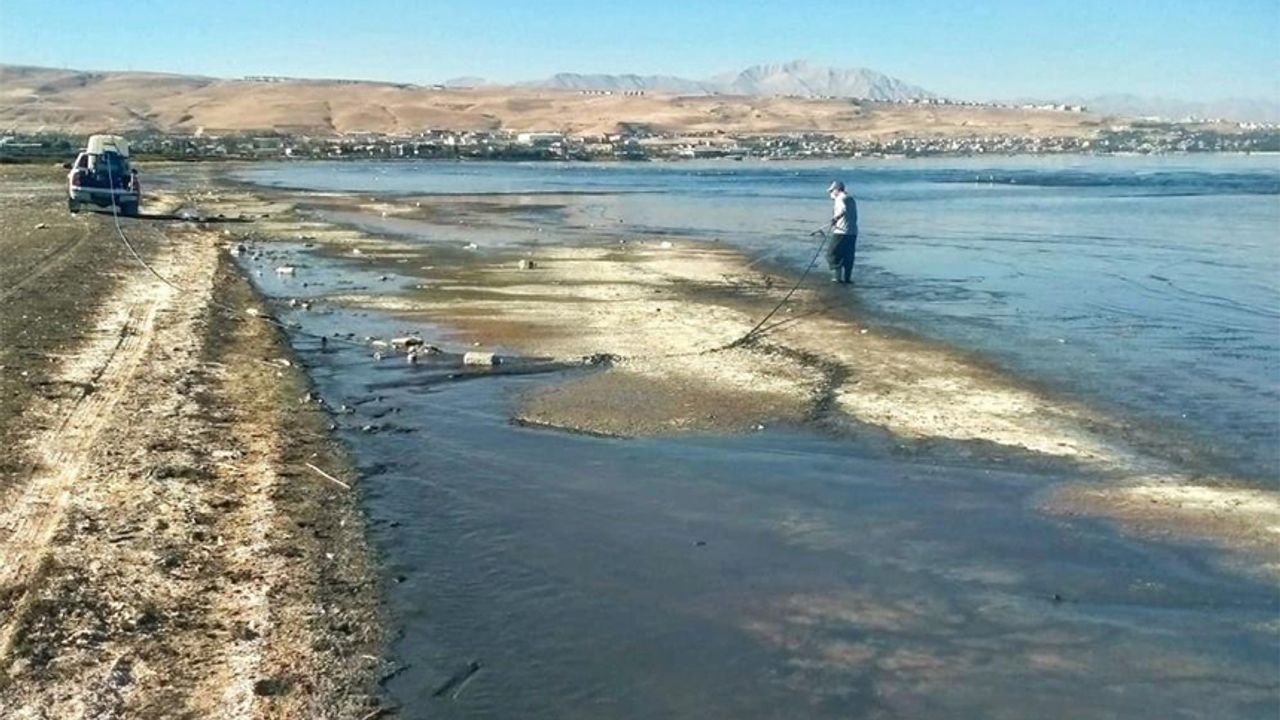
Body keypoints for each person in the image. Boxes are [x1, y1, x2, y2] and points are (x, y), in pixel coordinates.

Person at [826, 180, 858, 284]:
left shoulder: (840, 198)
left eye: (832, 191)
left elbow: (842, 210)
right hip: (852, 232)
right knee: (848, 255)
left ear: (837, 189)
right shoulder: (850, 199)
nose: (831, 194)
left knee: (832, 253)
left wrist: (835, 219)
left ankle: (837, 277)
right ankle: (847, 278)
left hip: (841, 231)